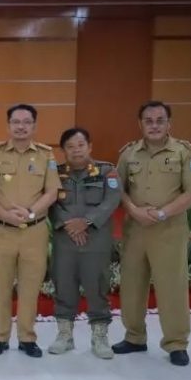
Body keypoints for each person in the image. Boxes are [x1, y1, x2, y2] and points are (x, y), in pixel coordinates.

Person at [114, 101, 191, 366]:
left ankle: (176, 343)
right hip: (135, 230)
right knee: (132, 286)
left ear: (169, 123)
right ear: (140, 124)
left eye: (160, 120)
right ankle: (134, 337)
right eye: (149, 120)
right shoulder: (128, 154)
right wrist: (133, 210)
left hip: (168, 231)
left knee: (172, 287)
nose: (154, 125)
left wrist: (162, 213)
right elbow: (118, 188)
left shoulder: (184, 153)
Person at [0, 104, 61, 358]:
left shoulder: (46, 155)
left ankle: (27, 338)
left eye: (26, 122)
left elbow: (52, 192)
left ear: (34, 126)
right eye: (16, 122)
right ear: (8, 126)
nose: (21, 127)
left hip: (33, 231)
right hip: (2, 230)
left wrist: (30, 212)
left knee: (30, 287)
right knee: (1, 287)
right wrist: (4, 214)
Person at [48, 127, 120, 359]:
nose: (76, 150)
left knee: (97, 286)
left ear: (89, 147)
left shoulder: (107, 171)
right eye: (70, 146)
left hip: (95, 241)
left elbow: (112, 200)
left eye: (80, 145)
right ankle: (64, 336)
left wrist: (86, 222)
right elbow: (50, 202)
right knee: (63, 285)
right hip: (65, 239)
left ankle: (100, 337)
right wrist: (69, 224)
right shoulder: (55, 173)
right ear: (63, 150)